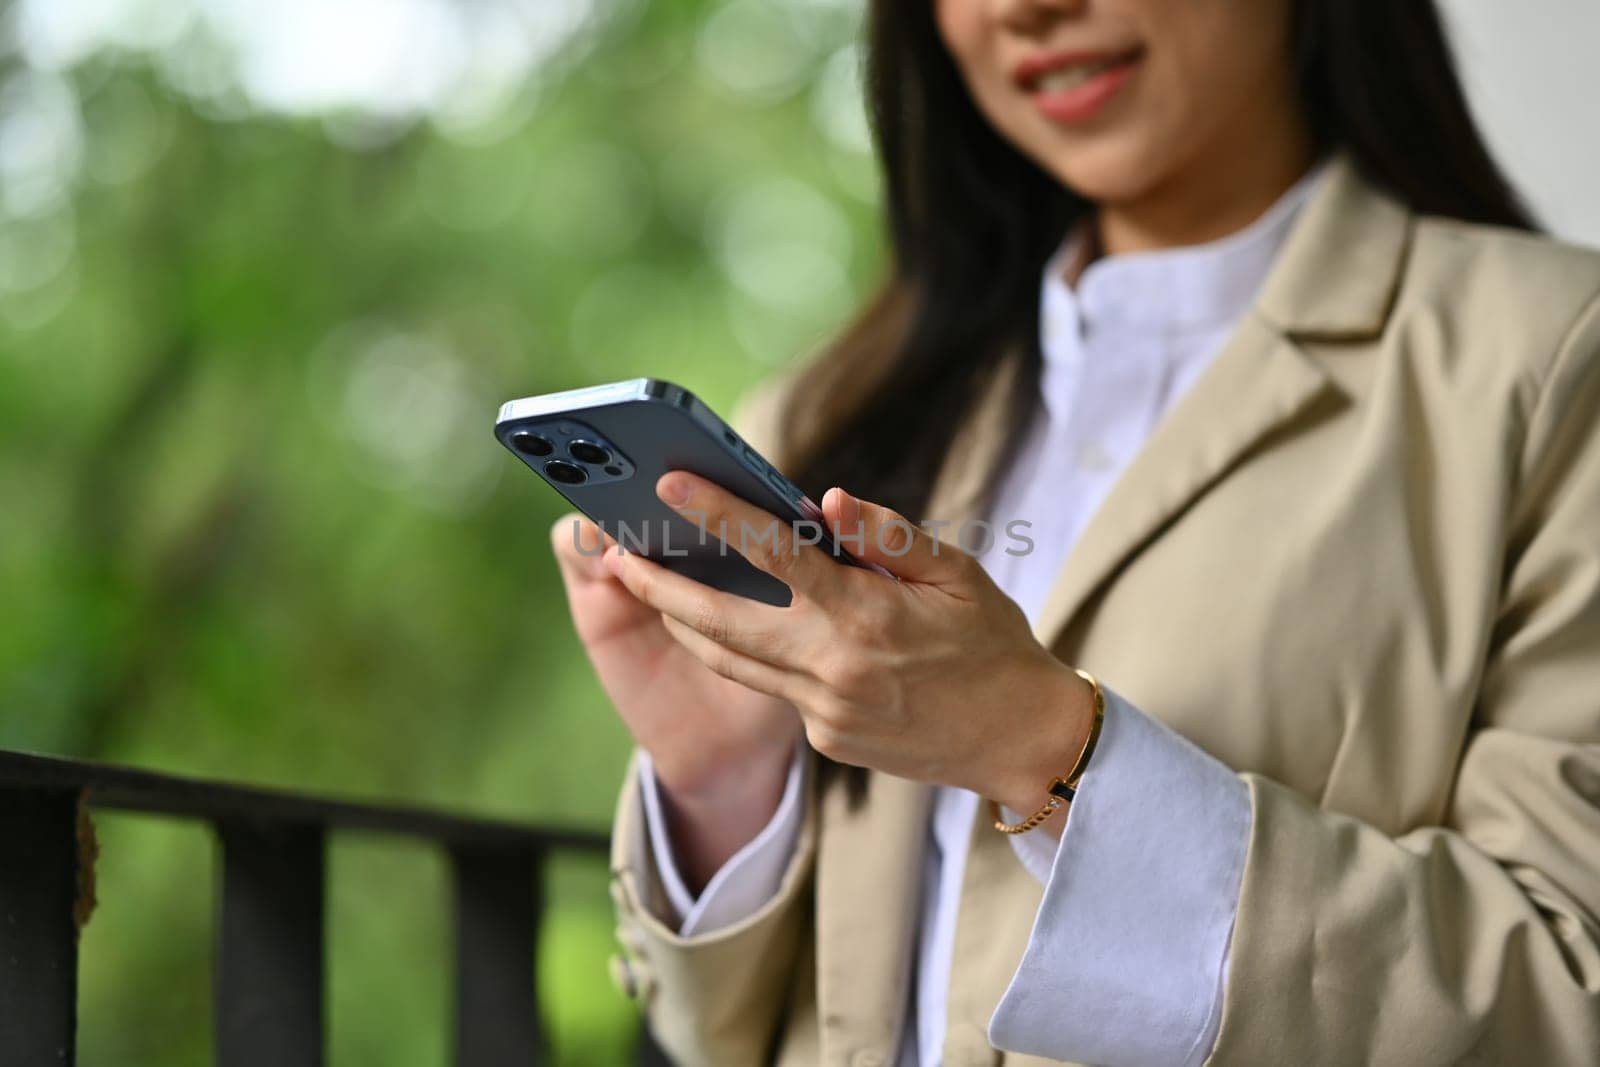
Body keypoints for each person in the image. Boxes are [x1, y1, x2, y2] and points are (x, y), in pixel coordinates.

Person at [553, 0, 1600, 1063]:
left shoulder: (1550, 359)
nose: (1022, 8)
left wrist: (1041, 747)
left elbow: (1567, 998)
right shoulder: (831, 415)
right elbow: (719, 1036)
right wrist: (724, 784)